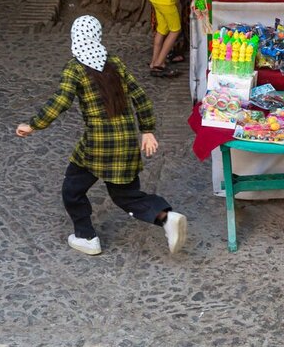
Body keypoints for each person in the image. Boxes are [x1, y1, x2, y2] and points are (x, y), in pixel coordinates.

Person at [16, 16, 187, 256]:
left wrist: (33, 125)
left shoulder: (75, 68)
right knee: (126, 195)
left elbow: (60, 102)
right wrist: (147, 130)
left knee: (72, 189)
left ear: (75, 38)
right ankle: (166, 218)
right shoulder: (115, 62)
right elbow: (141, 97)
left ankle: (86, 236)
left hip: (97, 145)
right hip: (126, 142)